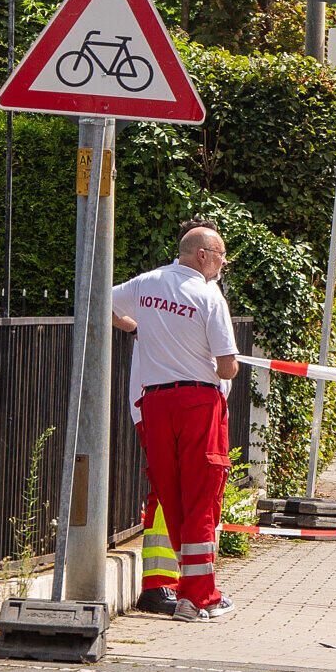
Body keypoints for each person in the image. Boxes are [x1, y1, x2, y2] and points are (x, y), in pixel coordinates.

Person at [109, 225, 241, 620]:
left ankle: (187, 589)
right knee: (202, 496)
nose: (222, 263)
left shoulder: (147, 283)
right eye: (220, 255)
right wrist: (225, 361)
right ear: (202, 255)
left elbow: (97, 299)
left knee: (173, 498)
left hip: (153, 403)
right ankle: (199, 597)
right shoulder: (208, 295)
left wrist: (135, 327)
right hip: (198, 401)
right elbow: (227, 367)